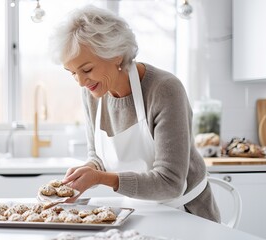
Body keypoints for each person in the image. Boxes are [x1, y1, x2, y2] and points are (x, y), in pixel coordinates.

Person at [49, 5, 220, 222]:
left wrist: (101, 178)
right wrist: (87, 172)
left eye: (87, 70)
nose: (81, 82)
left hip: (187, 216)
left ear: (116, 56)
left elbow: (170, 184)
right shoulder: (93, 92)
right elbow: (98, 157)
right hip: (136, 213)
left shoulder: (164, 90)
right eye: (72, 73)